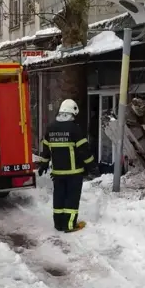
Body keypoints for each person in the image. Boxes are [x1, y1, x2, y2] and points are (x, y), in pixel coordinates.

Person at [37, 99, 99, 233]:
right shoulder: (75, 129)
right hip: (74, 173)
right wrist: (92, 167)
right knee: (72, 198)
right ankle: (70, 225)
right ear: (73, 112)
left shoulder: (51, 127)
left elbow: (46, 149)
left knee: (59, 197)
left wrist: (43, 164)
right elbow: (84, 151)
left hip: (58, 173)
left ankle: (58, 223)